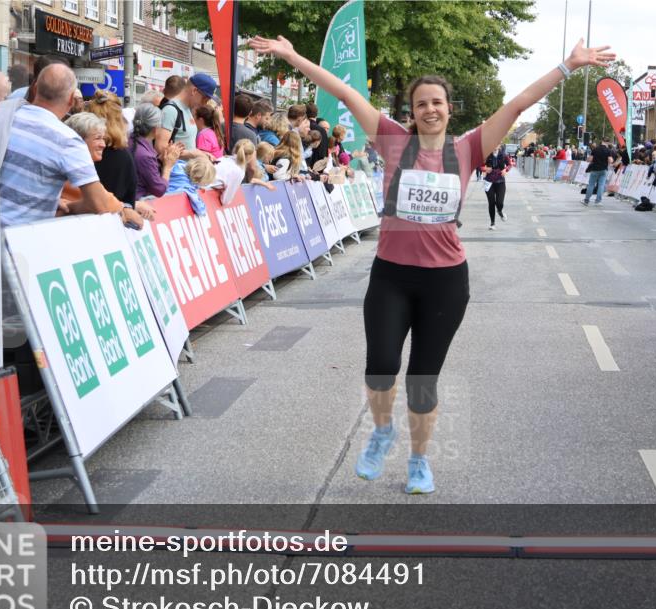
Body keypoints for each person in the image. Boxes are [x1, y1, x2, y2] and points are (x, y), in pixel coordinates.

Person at [251, 33, 614, 494]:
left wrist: (569, 65)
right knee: (381, 366)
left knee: (423, 379)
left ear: (448, 108)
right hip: (392, 276)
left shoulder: (467, 149)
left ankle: (419, 461)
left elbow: (519, 104)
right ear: (412, 111)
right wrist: (291, 56)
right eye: (421, 103)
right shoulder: (392, 140)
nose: (430, 109)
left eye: (437, 102)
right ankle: (382, 432)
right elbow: (343, 91)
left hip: (445, 282)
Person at [0, 64, 111, 227]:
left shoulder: (6, 116)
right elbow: (100, 204)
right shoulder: (68, 141)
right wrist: (71, 207)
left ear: (35, 88)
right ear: (71, 99)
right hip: (19, 237)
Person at [62, 112, 148, 228]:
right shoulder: (70, 168)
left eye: (103, 139)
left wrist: (124, 207)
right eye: (98, 138)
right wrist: (123, 208)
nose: (103, 144)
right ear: (79, 141)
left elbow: (104, 198)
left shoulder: (84, 166)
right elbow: (100, 201)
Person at [129, 103, 183, 199]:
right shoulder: (145, 155)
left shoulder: (129, 140)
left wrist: (160, 159)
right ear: (155, 129)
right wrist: (168, 166)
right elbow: (159, 189)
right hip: (138, 201)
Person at [482, 144, 510, 228]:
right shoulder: (486, 155)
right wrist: (485, 169)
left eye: (496, 144)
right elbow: (479, 165)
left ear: (499, 145)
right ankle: (492, 223)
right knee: (491, 203)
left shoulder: (503, 155)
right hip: (489, 182)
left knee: (499, 203)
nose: (494, 146)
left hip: (500, 182)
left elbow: (510, 164)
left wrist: (505, 169)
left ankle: (500, 211)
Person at [583, 139, 613, 205]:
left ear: (601, 142)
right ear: (607, 143)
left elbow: (589, 159)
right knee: (601, 185)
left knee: (591, 185)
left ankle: (586, 200)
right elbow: (610, 161)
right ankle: (598, 201)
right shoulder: (608, 150)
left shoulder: (595, 149)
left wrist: (590, 159)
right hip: (604, 169)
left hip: (595, 169)